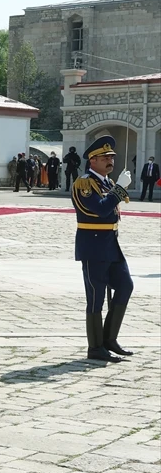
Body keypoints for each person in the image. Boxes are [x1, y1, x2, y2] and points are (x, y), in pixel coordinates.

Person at [72, 135, 134, 362]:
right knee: (96, 297)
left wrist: (116, 187)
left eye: (111, 157)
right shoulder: (84, 184)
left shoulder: (107, 183)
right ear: (93, 160)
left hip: (110, 245)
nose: (110, 161)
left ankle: (109, 339)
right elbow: (101, 209)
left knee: (125, 286)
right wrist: (120, 188)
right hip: (94, 247)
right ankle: (95, 347)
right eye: (105, 157)